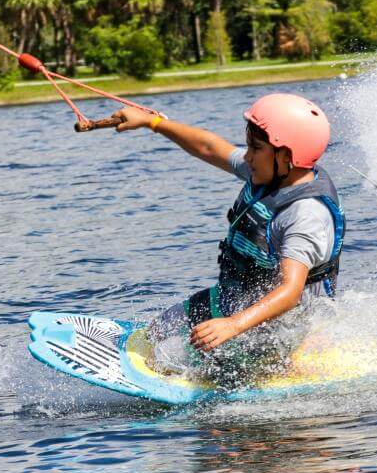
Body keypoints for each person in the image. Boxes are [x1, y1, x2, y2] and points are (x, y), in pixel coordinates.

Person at [111, 93, 345, 381]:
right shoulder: (272, 172)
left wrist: (233, 325)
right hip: (237, 299)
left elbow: (290, 291)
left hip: (285, 323)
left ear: (286, 156)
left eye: (255, 148)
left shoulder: (305, 215)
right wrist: (152, 122)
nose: (246, 155)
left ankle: (291, 362)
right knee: (155, 337)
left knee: (170, 359)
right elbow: (209, 147)